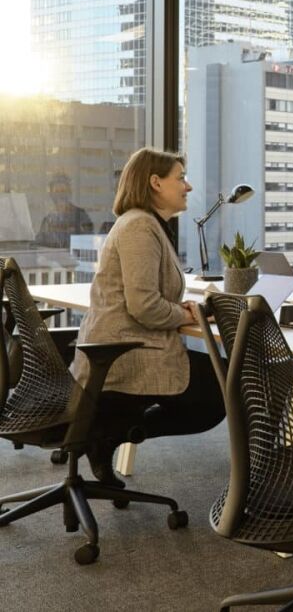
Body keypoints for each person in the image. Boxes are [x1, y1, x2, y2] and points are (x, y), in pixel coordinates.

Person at [71, 148, 225, 487]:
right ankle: (108, 433)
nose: (188, 186)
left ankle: (109, 433)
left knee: (216, 380)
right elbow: (144, 306)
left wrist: (183, 310)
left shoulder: (145, 224)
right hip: (128, 352)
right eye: (180, 178)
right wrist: (186, 313)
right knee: (220, 391)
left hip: (125, 346)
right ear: (155, 182)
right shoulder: (140, 227)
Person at [36, 173, 93, 248]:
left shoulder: (80, 216)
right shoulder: (47, 221)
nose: (60, 195)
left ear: (69, 193)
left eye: (63, 191)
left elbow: (88, 243)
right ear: (51, 195)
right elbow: (39, 246)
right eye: (57, 191)